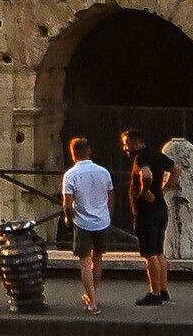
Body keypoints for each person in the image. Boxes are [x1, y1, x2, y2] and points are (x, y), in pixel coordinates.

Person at [60, 134, 118, 313]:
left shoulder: (71, 175)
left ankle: (92, 302)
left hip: (82, 222)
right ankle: (93, 293)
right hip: (103, 221)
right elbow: (111, 198)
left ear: (73, 153)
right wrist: (108, 216)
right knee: (98, 258)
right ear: (89, 151)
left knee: (85, 262)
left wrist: (68, 219)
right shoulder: (104, 172)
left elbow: (67, 204)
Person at [123, 128, 173, 307]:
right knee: (159, 252)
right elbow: (177, 170)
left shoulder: (141, 158)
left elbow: (147, 174)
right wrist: (165, 188)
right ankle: (164, 290)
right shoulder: (158, 156)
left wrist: (144, 191)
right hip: (161, 209)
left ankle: (155, 293)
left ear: (136, 143)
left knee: (150, 254)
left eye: (126, 144)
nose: (125, 148)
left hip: (146, 212)